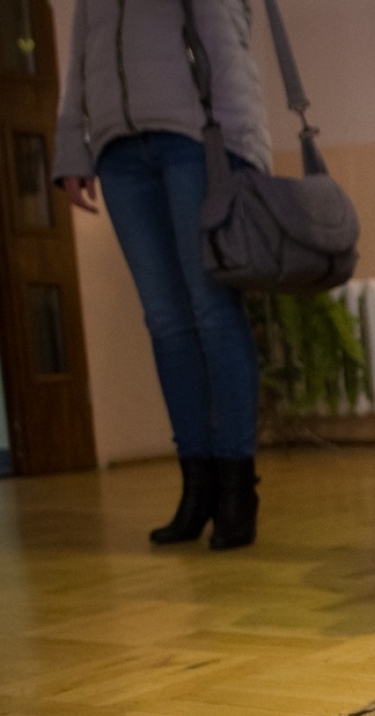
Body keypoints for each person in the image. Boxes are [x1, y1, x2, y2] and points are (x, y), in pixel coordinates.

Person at [54, 0, 270, 548]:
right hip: (115, 150)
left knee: (212, 310)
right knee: (165, 322)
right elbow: (81, 51)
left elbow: (225, 36)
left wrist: (243, 148)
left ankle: (235, 487)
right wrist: (69, 151)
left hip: (194, 142)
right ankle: (195, 484)